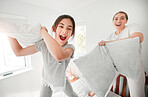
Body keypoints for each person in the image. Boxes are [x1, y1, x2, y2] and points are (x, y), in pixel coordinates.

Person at [8, 15, 78, 97]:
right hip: (46, 80)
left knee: (72, 95)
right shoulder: (43, 44)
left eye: (69, 28)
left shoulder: (70, 48)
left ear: (71, 33)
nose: (65, 31)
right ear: (54, 29)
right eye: (61, 26)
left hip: (61, 80)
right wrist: (9, 32)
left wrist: (44, 33)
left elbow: (59, 56)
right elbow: (18, 52)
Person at [98, 11, 145, 97]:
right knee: (103, 87)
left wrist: (109, 43)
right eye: (116, 19)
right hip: (116, 65)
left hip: (133, 65)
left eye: (122, 18)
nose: (118, 21)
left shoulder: (132, 27)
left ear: (126, 20)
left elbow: (138, 38)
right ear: (113, 22)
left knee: (137, 94)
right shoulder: (110, 36)